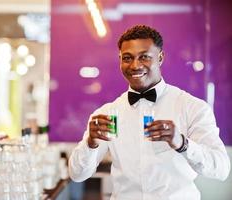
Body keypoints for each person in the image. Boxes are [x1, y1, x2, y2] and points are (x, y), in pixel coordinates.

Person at [68, 25, 230, 200]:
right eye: (127, 58)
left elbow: (221, 169)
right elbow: (77, 175)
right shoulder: (109, 113)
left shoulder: (192, 107)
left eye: (144, 57)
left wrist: (182, 143)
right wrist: (91, 143)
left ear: (160, 58)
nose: (135, 65)